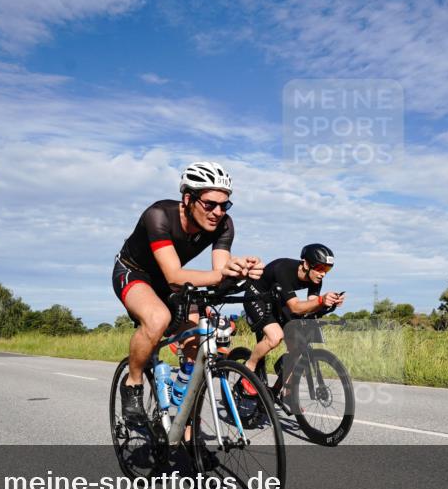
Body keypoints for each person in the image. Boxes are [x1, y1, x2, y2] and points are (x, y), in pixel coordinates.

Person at [112, 161, 263, 419]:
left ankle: (184, 421)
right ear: (188, 198)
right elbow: (174, 275)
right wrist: (222, 274)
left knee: (197, 338)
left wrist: (240, 269)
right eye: (209, 204)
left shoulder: (224, 225)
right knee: (158, 318)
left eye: (224, 205)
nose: (218, 212)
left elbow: (220, 270)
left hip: (173, 281)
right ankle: (133, 383)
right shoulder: (158, 216)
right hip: (134, 272)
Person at [240, 243, 345, 394]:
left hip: (277, 299)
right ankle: (249, 367)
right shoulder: (283, 269)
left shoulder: (316, 279)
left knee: (298, 344)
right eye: (320, 268)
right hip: (256, 297)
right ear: (306, 264)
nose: (323, 274)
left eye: (327, 270)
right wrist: (321, 301)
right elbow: (295, 307)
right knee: (275, 337)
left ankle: (286, 393)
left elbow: (311, 305)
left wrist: (328, 304)